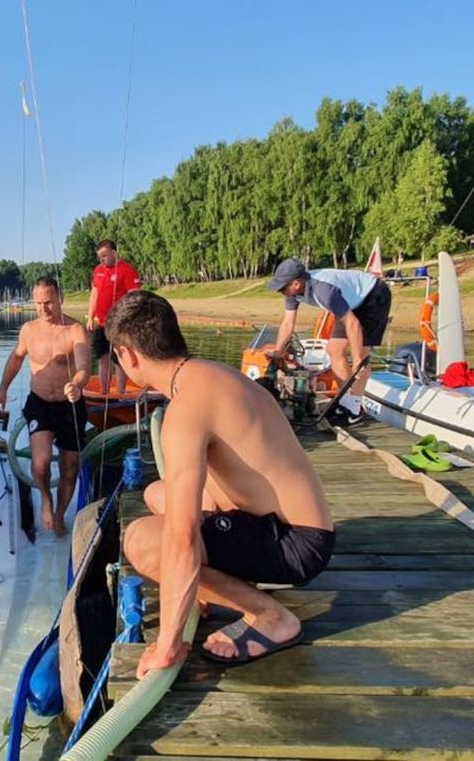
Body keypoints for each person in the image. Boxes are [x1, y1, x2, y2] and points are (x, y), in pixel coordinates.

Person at [103, 291, 334, 674]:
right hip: (295, 525)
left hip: (296, 545)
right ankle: (222, 584)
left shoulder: (184, 411)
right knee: (157, 494)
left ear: (128, 355)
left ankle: (271, 617)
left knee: (142, 542)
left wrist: (167, 645)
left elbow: (182, 538)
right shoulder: (211, 374)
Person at [0, 277, 90, 535]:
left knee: (70, 468)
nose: (43, 309)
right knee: (41, 463)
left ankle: (59, 516)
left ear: (60, 299)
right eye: (38, 303)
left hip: (70, 404)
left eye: (48, 302)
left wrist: (77, 384)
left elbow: (83, 366)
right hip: (40, 404)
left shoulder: (75, 330)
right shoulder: (28, 330)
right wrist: (3, 389)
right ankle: (46, 498)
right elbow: (16, 359)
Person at [265, 258, 391, 426]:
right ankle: (345, 402)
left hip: (373, 297)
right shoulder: (293, 293)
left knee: (362, 354)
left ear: (296, 283)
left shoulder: (323, 290)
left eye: (282, 287)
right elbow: (288, 322)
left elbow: (352, 323)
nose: (279, 290)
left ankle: (354, 409)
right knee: (334, 350)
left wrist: (358, 358)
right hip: (351, 303)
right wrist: (279, 350)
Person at [85, 239, 140, 395]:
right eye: (99, 257)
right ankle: (104, 391)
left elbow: (134, 298)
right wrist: (90, 317)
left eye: (104, 256)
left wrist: (130, 321)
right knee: (102, 358)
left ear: (114, 253)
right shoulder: (98, 270)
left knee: (119, 360)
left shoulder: (127, 270)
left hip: (119, 325)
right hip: (100, 323)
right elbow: (94, 293)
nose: (101, 260)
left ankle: (121, 392)